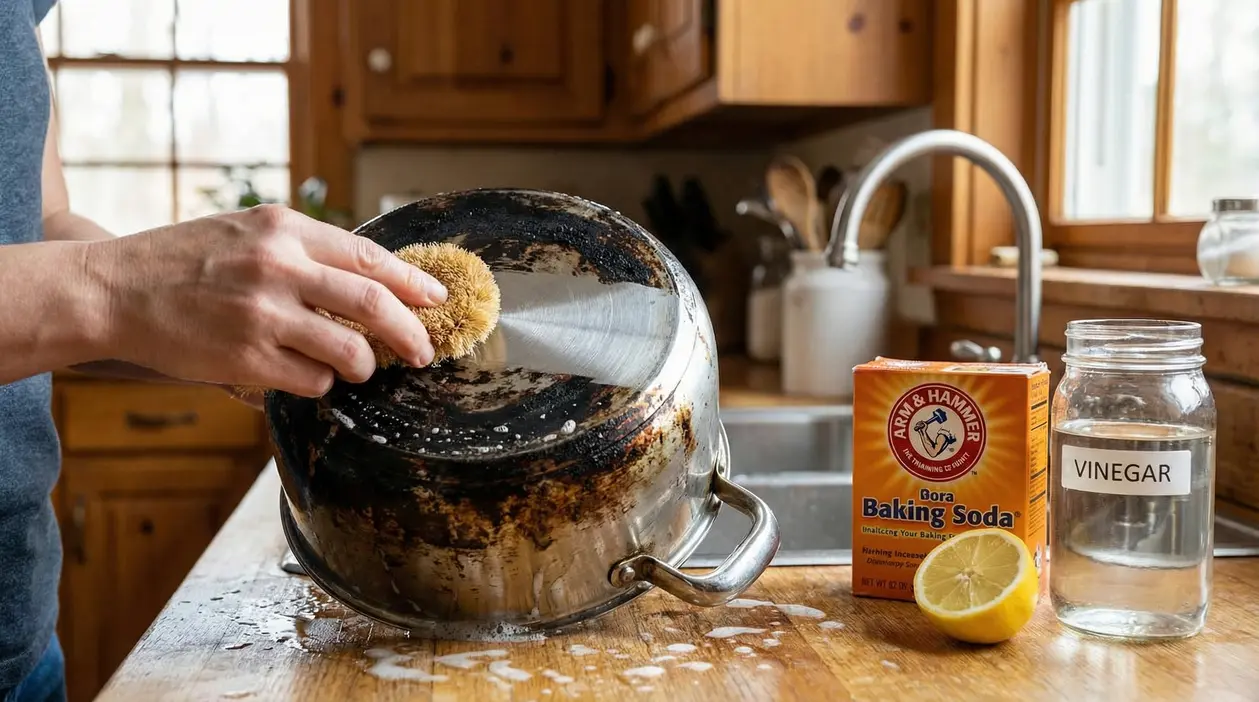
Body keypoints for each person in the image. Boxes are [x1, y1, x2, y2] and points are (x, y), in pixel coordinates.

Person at [2, 3, 447, 700]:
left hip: (19, 636)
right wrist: (121, 289)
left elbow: (43, 224)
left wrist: (202, 326)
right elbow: (89, 282)